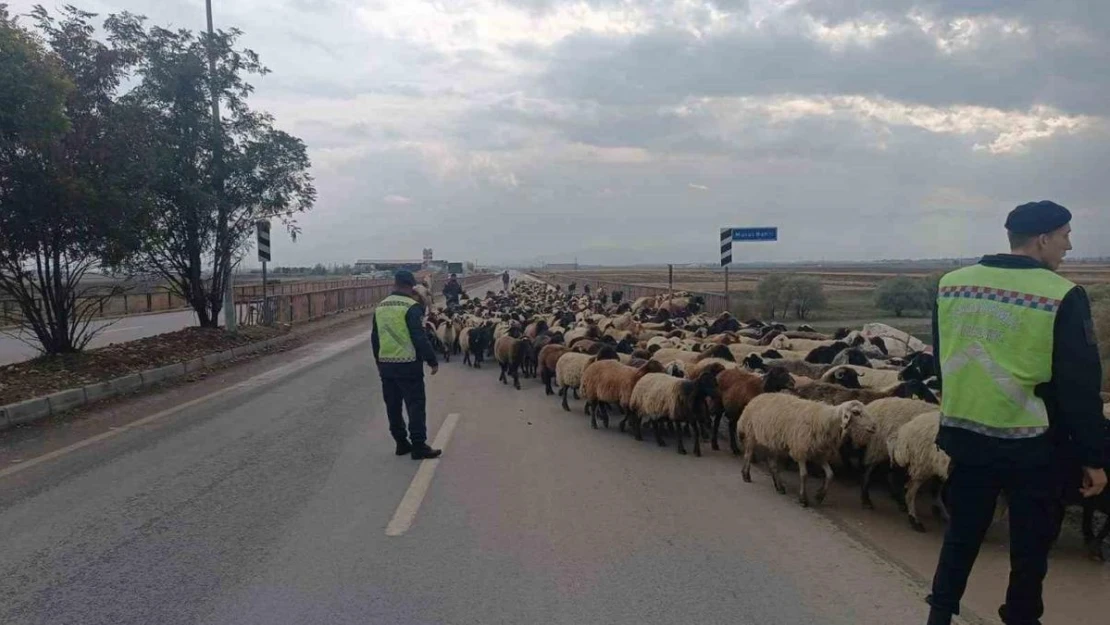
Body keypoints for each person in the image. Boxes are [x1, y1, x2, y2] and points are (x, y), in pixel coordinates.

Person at [925, 201, 1107, 625]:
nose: (1070, 245)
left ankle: (938, 616)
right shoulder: (1062, 294)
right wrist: (1095, 457)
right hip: (1033, 445)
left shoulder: (951, 285)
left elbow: (942, 359)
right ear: (1042, 239)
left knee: (961, 536)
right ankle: (1021, 618)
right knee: (1030, 546)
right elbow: (1078, 387)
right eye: (1065, 235)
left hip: (966, 436)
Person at [371, 270, 442, 460]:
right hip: (408, 364)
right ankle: (419, 445)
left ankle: (401, 443)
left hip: (386, 365)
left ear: (394, 284)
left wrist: (378, 362)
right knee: (415, 404)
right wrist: (432, 360)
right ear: (411, 286)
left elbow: (375, 338)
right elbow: (418, 337)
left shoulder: (381, 307)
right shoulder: (411, 306)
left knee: (393, 406)